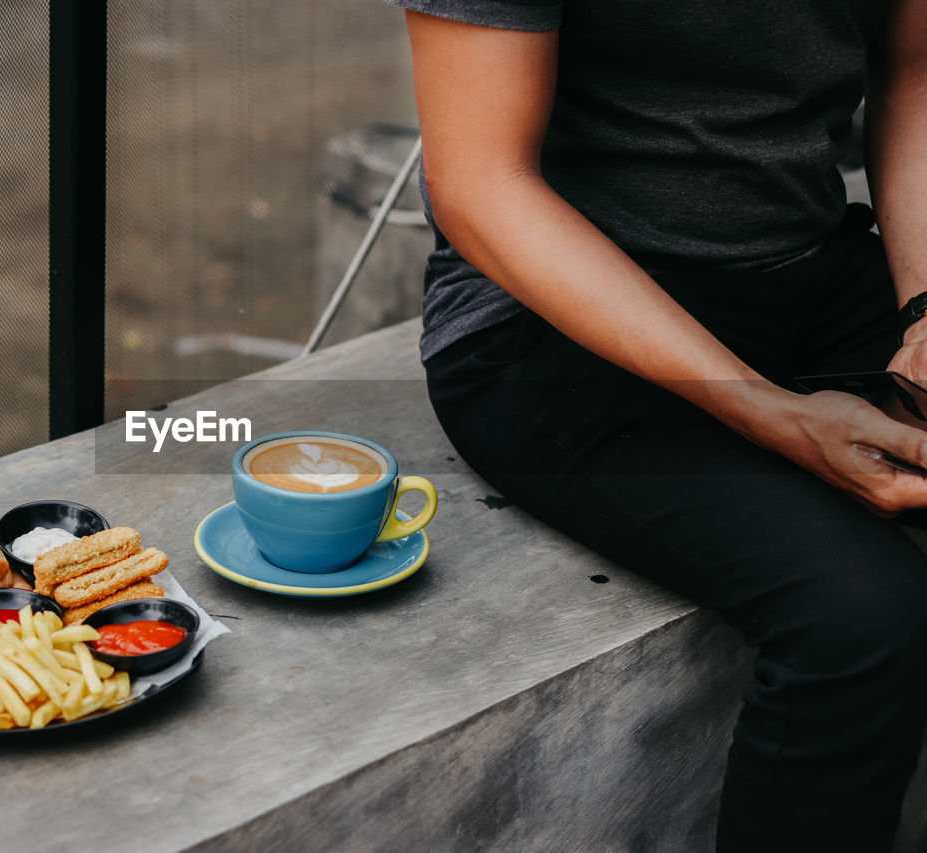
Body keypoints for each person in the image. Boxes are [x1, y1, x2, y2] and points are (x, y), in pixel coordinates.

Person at [388, 0, 927, 849]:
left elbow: (913, 75)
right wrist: (765, 410)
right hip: (553, 326)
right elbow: (481, 183)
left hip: (813, 273)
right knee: (862, 616)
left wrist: (925, 312)